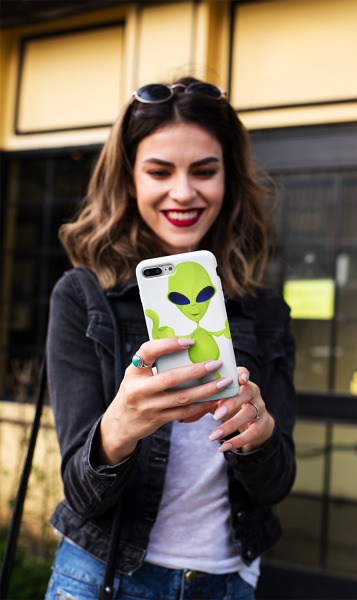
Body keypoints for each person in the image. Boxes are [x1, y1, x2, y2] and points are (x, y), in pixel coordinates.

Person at [45, 76, 297, 600]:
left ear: (229, 178)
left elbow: (277, 486)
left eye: (204, 170)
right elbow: (81, 494)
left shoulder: (267, 310)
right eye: (159, 171)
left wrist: (261, 434)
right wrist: (120, 427)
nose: (183, 192)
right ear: (129, 180)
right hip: (101, 578)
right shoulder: (83, 296)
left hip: (226, 583)